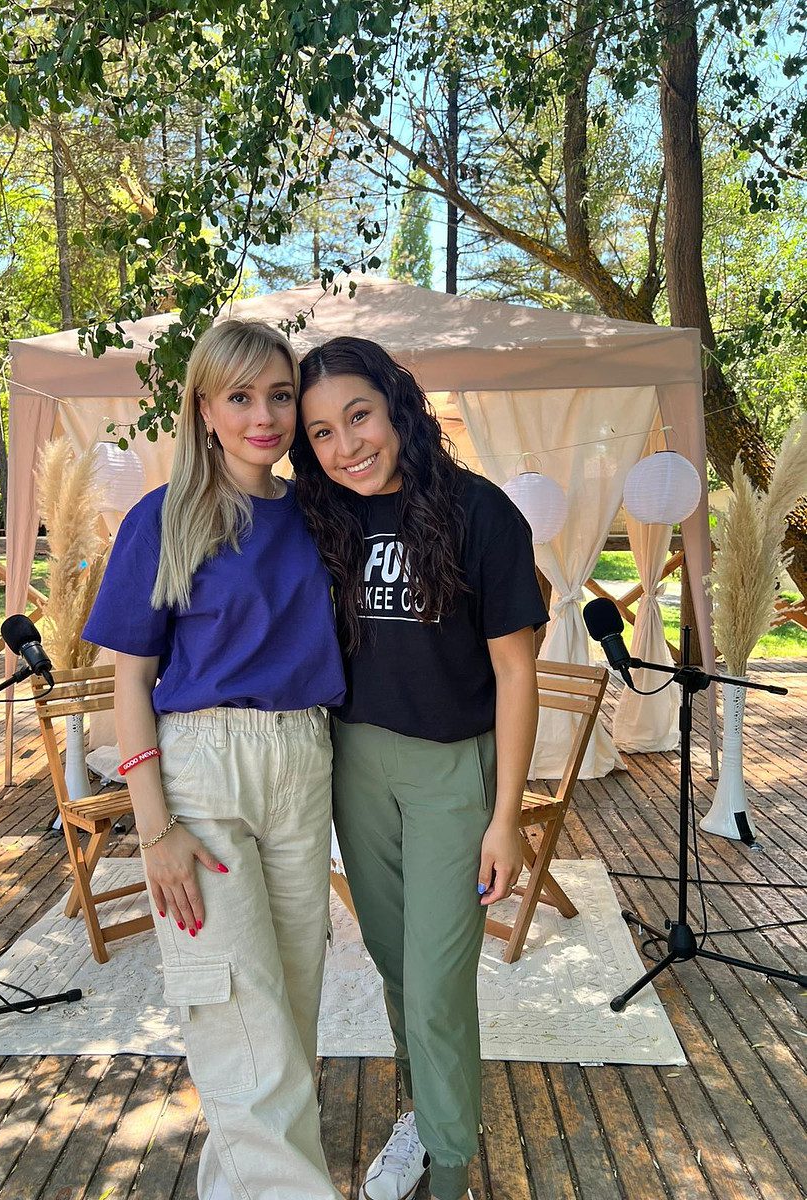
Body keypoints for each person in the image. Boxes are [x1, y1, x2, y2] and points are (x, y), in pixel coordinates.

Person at [83, 319, 346, 1200]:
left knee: (289, 1011)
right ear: (203, 407)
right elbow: (129, 685)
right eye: (240, 396)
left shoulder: (319, 512)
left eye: (279, 395)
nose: (263, 416)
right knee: (235, 1009)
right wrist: (152, 827)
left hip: (304, 758)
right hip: (200, 766)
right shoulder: (165, 517)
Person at [291, 337, 549, 1200]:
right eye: (322, 431)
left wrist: (506, 816)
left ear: (397, 405)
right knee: (398, 966)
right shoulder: (320, 517)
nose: (345, 445)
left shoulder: (481, 514)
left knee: (439, 979)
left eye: (358, 416)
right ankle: (427, 1108)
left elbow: (517, 672)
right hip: (355, 763)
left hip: (453, 773)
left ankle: (449, 1166)